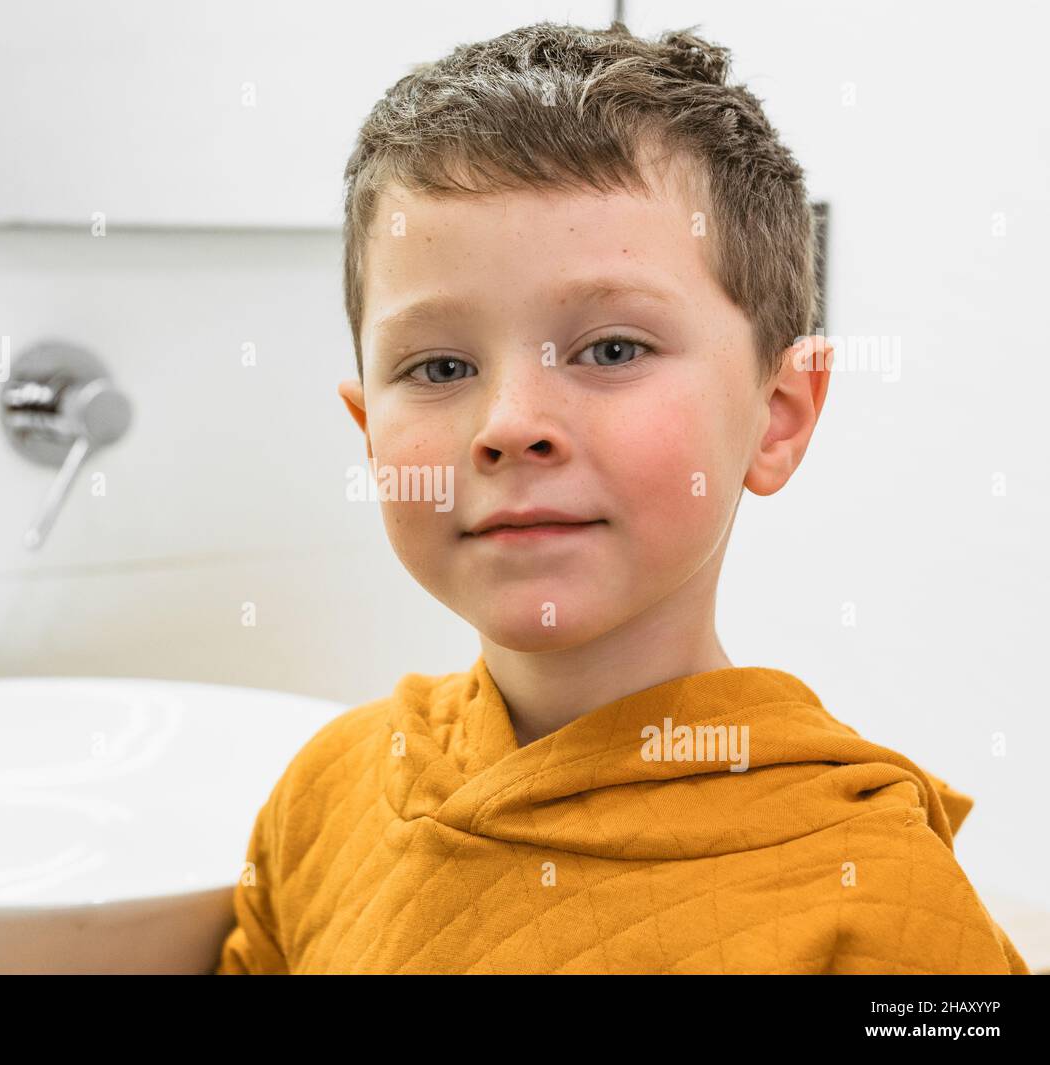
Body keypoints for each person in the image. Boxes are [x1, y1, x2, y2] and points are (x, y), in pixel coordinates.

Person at [215, 19, 1029, 974]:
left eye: (612, 349)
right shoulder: (323, 793)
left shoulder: (881, 913)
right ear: (368, 435)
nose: (510, 423)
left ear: (778, 414)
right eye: (439, 364)